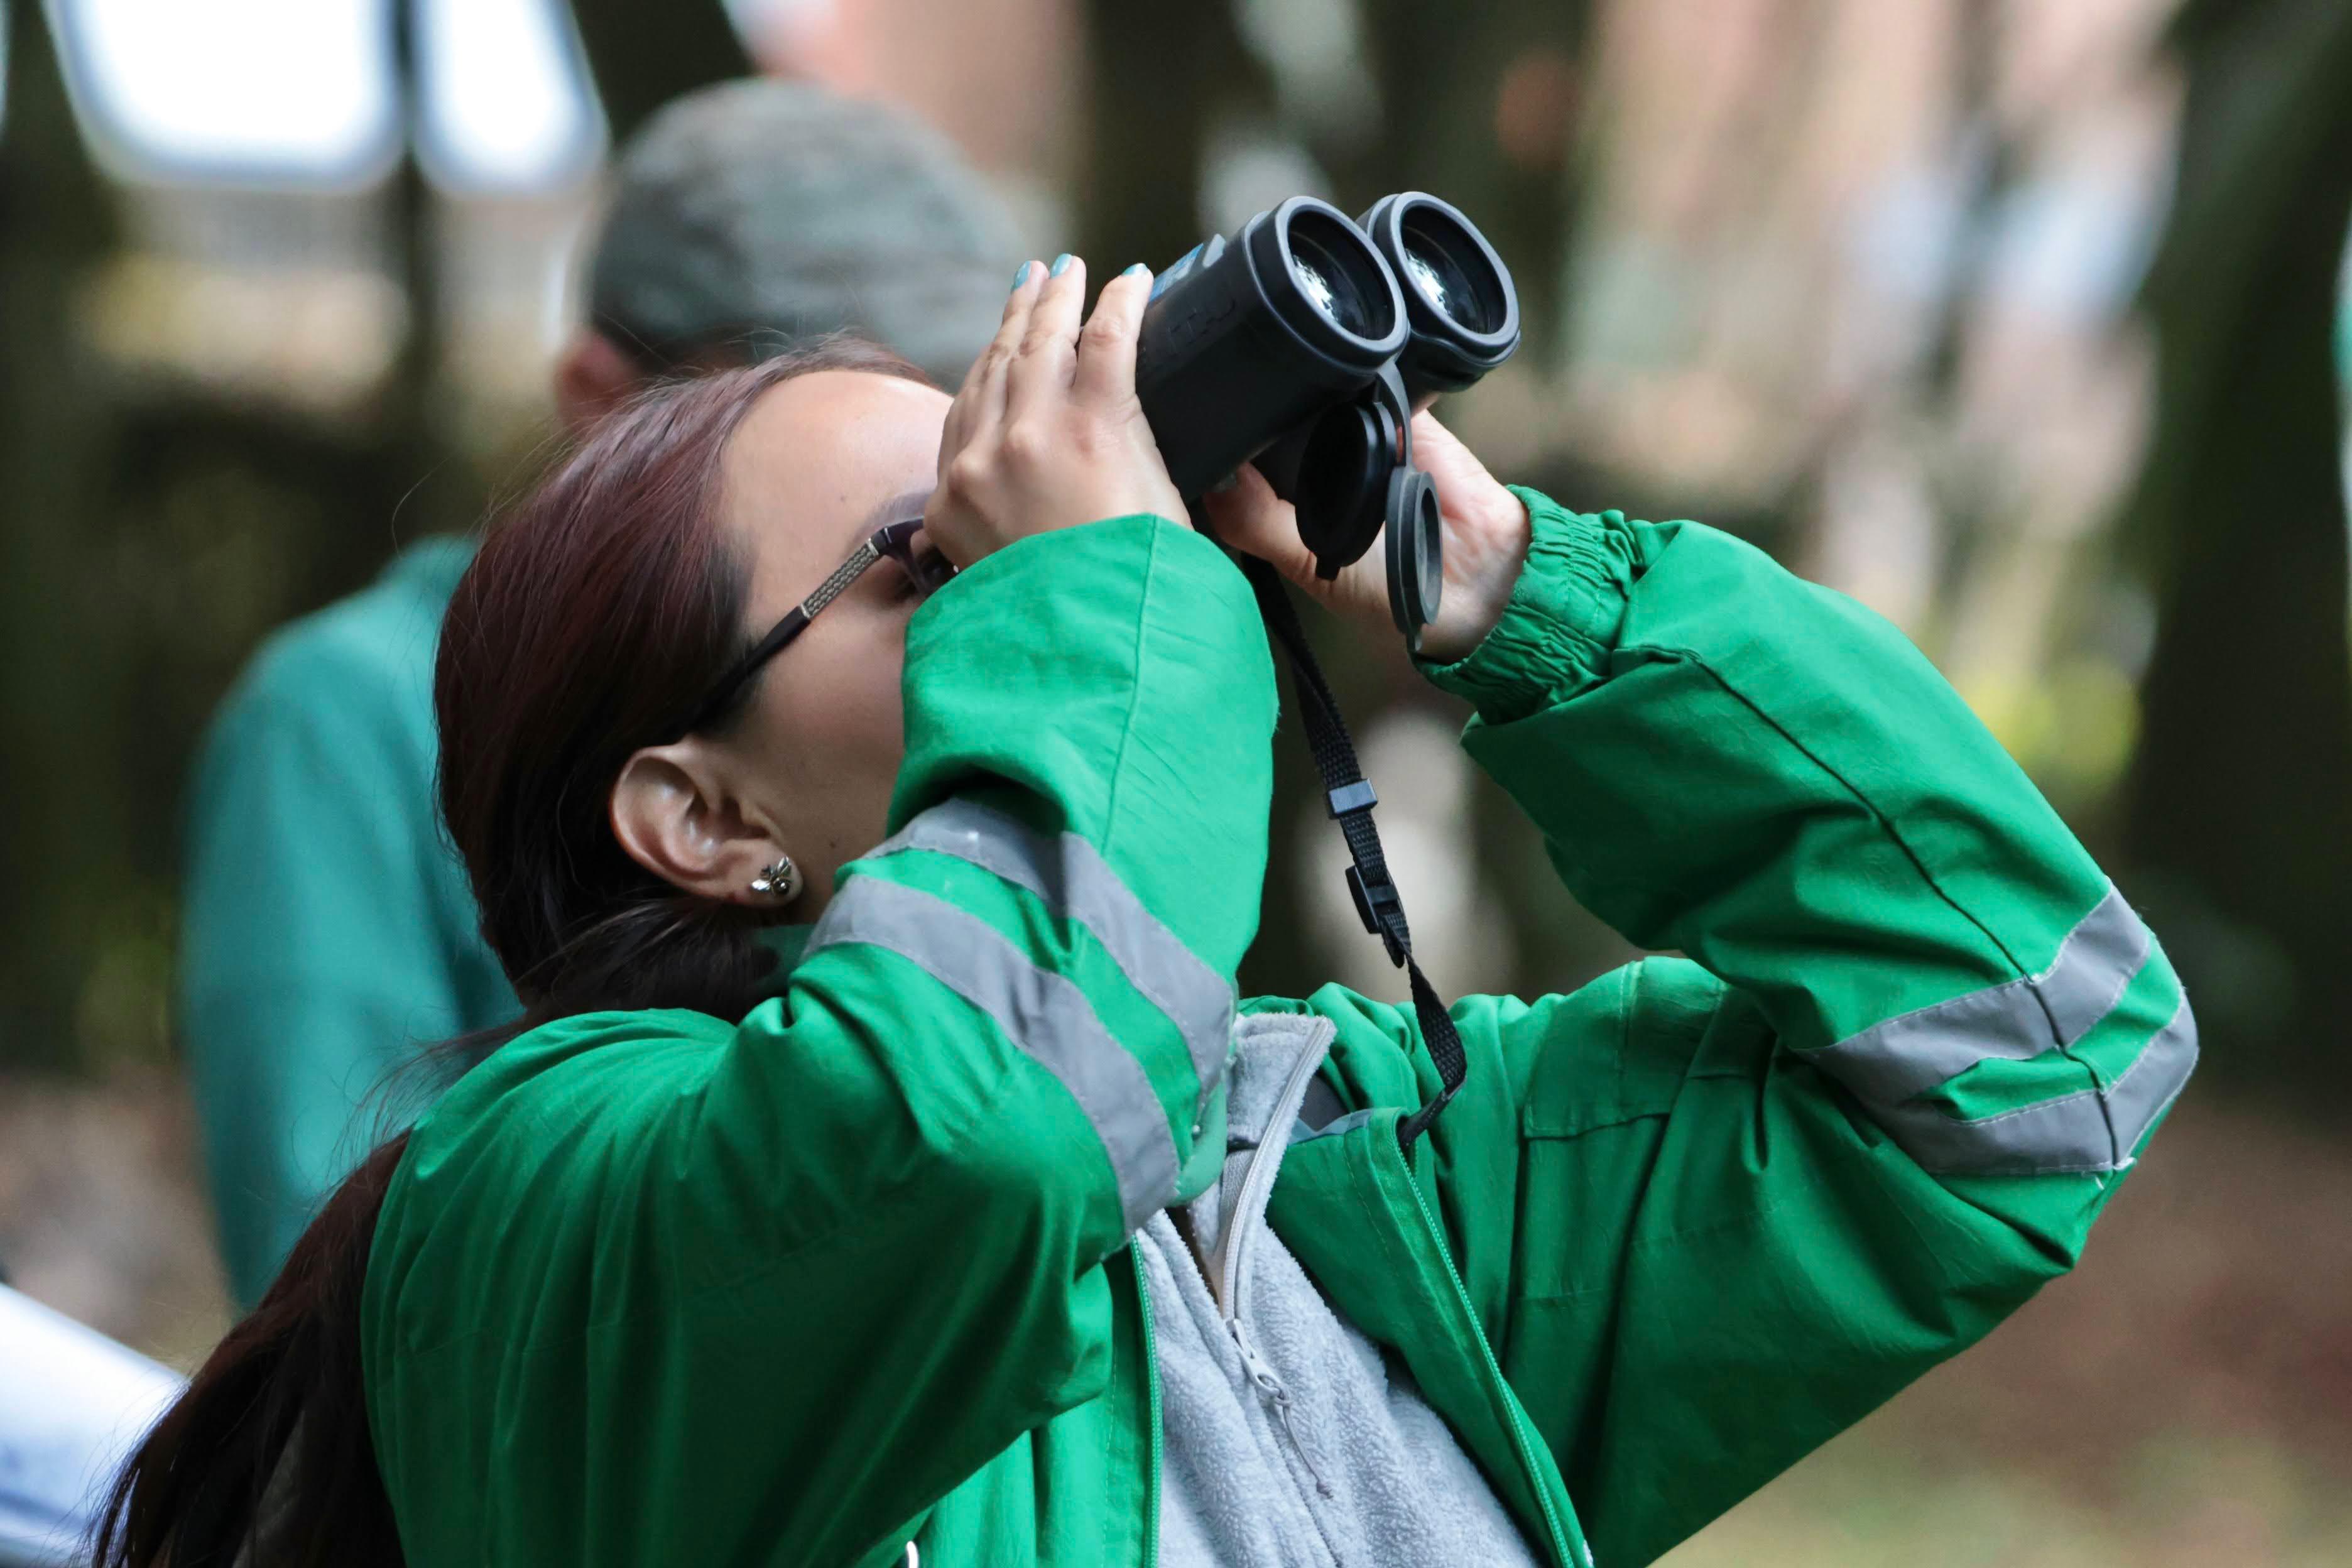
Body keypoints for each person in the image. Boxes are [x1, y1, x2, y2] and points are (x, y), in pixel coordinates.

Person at [109, 255, 2196, 1568]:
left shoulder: (1334, 1174)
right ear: (694, 808)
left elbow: (2026, 1056)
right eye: (945, 555)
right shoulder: (537, 1199)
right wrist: (1096, 584)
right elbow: (977, 1132)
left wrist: (1515, 596)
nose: (1061, 572)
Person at [177, 79, 1023, 1310]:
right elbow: (336, 1282)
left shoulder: (938, 683)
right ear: (594, 399)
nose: (939, 476)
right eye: (793, 395)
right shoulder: (338, 716)